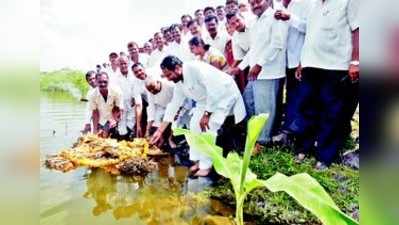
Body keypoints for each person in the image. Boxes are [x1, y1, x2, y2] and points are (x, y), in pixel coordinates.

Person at [150, 56, 246, 177]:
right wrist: (160, 130)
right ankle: (198, 160)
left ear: (177, 68)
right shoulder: (179, 83)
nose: (168, 79)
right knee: (194, 126)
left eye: (169, 75)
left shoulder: (195, 68)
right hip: (205, 101)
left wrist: (207, 114)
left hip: (223, 95)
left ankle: (206, 166)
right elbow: (174, 105)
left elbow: (214, 89)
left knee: (208, 126)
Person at [294, 0, 359, 170]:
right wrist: (302, 62)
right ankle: (304, 147)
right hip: (311, 64)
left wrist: (355, 61)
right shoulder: (314, 5)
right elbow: (310, 35)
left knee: (332, 113)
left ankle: (324, 156)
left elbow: (357, 29)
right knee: (307, 108)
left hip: (335, 65)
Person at [240, 0, 288, 150]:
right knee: (248, 101)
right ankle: (255, 136)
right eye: (251, 3)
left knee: (264, 110)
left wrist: (260, 64)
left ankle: (263, 142)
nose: (255, 5)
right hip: (256, 72)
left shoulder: (275, 16)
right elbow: (254, 49)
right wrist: (240, 67)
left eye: (257, 1)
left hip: (268, 71)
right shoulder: (254, 21)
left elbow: (277, 44)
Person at [272, 0, 315, 145]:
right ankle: (288, 134)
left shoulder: (307, 4)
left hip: (301, 60)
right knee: (291, 97)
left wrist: (290, 18)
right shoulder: (280, 7)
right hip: (285, 61)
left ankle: (300, 137)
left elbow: (311, 29)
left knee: (302, 99)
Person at [114, 56, 142, 139]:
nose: (123, 66)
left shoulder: (133, 76)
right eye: (121, 64)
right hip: (120, 104)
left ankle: (129, 138)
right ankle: (122, 140)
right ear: (118, 65)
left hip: (131, 103)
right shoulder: (115, 77)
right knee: (121, 127)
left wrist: (135, 100)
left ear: (128, 63)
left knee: (131, 124)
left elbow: (136, 94)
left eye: (125, 63)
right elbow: (115, 94)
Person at [89, 72, 124, 138]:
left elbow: (118, 108)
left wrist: (114, 120)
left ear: (108, 80)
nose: (103, 84)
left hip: (115, 117)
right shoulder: (92, 95)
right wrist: (94, 130)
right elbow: (95, 112)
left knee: (116, 136)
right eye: (100, 82)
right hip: (101, 119)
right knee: (99, 138)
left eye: (105, 82)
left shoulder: (116, 91)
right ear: (96, 82)